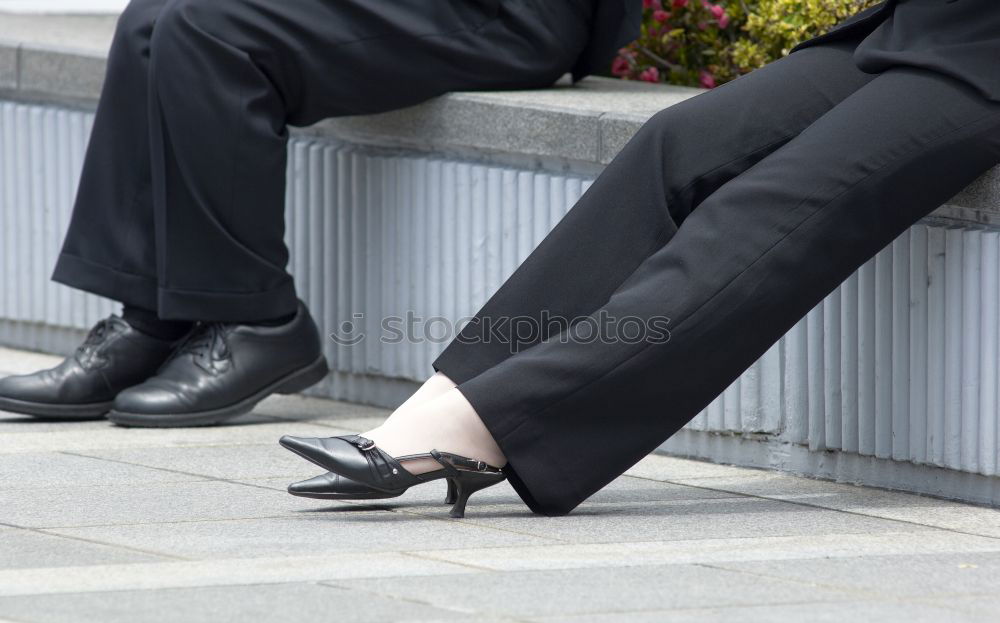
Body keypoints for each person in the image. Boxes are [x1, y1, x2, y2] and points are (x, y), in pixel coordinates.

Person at [279, 0, 1000, 516]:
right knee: (674, 142)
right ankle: (443, 400)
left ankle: (486, 427)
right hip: (927, 21)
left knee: (776, 205)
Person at [0, 0, 640, 427]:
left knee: (210, 30)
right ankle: (156, 317)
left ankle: (255, 320)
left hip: (507, 15)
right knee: (154, 15)